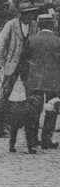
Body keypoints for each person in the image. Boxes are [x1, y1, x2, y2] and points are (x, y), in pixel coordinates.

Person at [26, 14, 60, 149]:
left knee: (34, 109)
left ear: (39, 25)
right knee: (51, 110)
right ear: (52, 25)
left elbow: (24, 58)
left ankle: (33, 139)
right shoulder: (58, 41)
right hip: (54, 81)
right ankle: (46, 140)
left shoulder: (31, 40)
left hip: (35, 80)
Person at [0, 2, 38, 101]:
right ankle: (1, 110)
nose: (29, 16)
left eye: (31, 13)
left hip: (28, 64)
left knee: (30, 91)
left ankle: (30, 113)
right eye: (26, 13)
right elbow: (1, 44)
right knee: (6, 91)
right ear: (21, 14)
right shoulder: (11, 25)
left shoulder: (34, 26)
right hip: (13, 61)